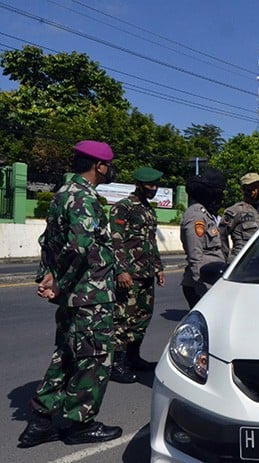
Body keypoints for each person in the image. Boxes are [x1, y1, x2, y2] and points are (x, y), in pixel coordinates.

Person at [19, 140, 122, 448]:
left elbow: (48, 241)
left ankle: (41, 422)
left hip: (74, 294)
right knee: (94, 358)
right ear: (99, 166)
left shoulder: (63, 194)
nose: (109, 169)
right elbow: (79, 247)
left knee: (66, 354)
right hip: (90, 295)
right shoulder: (84, 198)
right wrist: (58, 282)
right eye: (108, 165)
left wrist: (49, 276)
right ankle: (80, 424)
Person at [108, 166, 166, 384]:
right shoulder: (124, 207)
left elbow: (151, 242)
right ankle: (116, 363)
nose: (154, 189)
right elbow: (115, 240)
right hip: (129, 274)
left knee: (142, 317)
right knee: (123, 318)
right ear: (139, 185)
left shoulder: (147, 210)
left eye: (156, 185)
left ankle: (133, 357)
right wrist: (121, 270)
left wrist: (159, 267)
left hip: (146, 273)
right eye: (151, 185)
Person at [180, 167, 227, 309]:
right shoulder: (196, 216)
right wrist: (200, 286)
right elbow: (195, 255)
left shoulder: (206, 213)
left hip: (210, 279)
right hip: (201, 281)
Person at [220, 172, 259, 262]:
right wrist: (225, 259)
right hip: (242, 263)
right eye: (252, 187)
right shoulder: (235, 211)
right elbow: (221, 235)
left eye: (258, 186)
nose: (256, 190)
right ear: (243, 190)